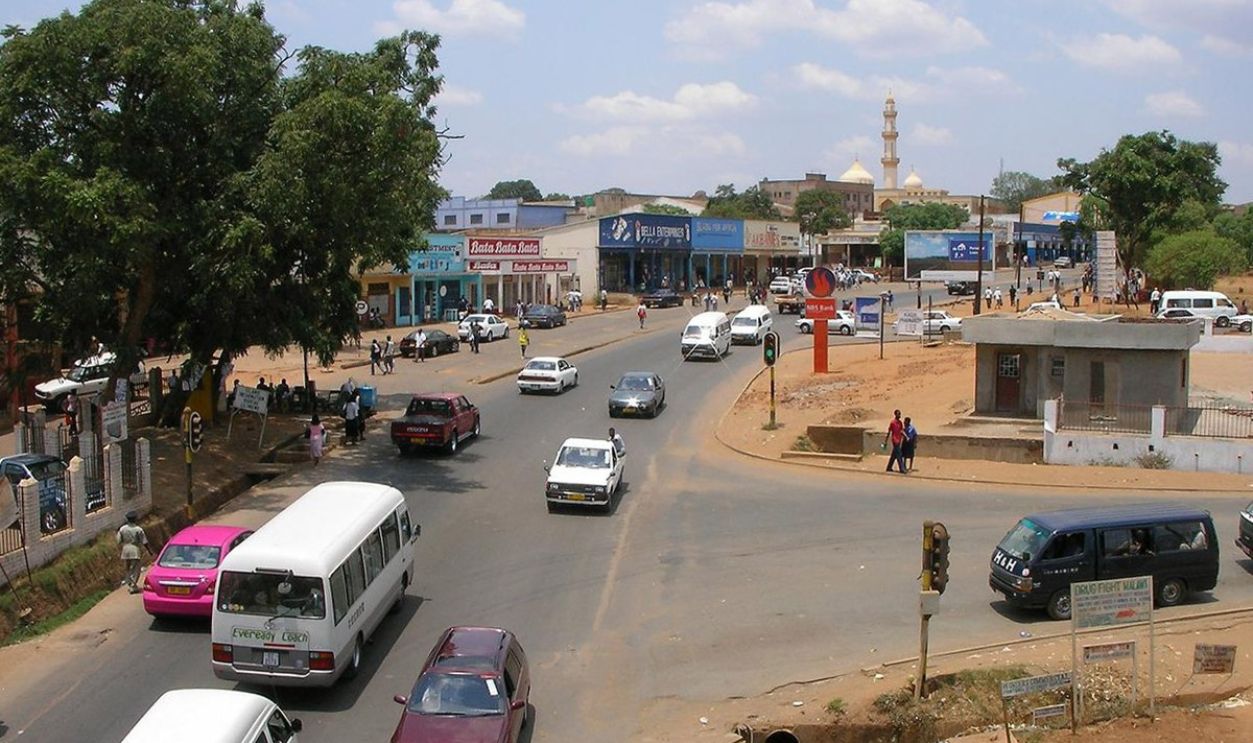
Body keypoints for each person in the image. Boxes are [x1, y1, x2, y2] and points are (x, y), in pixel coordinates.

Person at [117, 511, 152, 594]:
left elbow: (118, 540)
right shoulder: (138, 529)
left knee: (128, 568)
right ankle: (133, 585)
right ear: (135, 519)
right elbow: (144, 542)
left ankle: (129, 582)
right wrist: (149, 551)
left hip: (125, 549)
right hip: (134, 549)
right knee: (136, 568)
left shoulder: (122, 528)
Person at [884, 409, 906, 474]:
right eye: (898, 414)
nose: (899, 415)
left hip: (899, 440)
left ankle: (889, 467)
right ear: (895, 414)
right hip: (894, 440)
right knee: (899, 455)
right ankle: (902, 469)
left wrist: (906, 436)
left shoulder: (900, 423)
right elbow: (889, 431)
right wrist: (886, 441)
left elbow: (901, 431)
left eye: (900, 414)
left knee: (894, 455)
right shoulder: (892, 423)